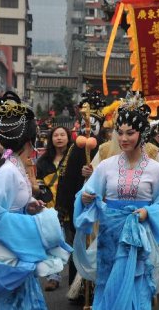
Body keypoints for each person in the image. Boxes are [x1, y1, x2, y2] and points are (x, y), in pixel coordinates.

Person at [0, 91, 70, 309]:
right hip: (2, 249)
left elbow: (7, 206)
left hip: (10, 244)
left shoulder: (12, 165)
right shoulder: (7, 170)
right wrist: (37, 224)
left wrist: (28, 207)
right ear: (31, 139)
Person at [73, 91, 159, 310]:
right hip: (110, 234)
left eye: (130, 133)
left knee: (137, 286)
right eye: (120, 132)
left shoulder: (155, 169)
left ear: (142, 133)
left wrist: (148, 213)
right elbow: (86, 193)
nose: (124, 138)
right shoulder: (106, 166)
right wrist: (86, 197)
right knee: (109, 282)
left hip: (140, 235)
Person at [55, 90, 106, 294]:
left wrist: (95, 172)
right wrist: (82, 174)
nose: (89, 128)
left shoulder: (105, 148)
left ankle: (96, 288)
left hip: (100, 205)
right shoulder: (76, 148)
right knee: (80, 242)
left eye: (94, 124)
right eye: (86, 123)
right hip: (81, 202)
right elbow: (66, 178)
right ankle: (79, 290)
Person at [35, 125, 72, 291]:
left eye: (62, 135)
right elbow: (40, 184)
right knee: (53, 241)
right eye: (55, 135)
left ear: (68, 137)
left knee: (73, 242)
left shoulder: (74, 157)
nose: (59, 138)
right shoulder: (43, 161)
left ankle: (78, 279)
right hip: (50, 207)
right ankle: (53, 276)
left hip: (70, 205)